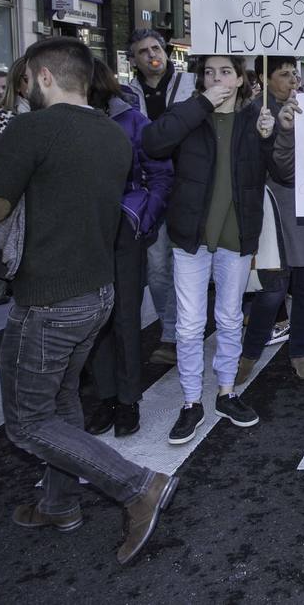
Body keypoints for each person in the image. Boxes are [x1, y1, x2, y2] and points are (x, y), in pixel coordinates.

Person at [0, 37, 175, 563]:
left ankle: (136, 486)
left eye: (25, 80)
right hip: (96, 292)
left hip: (48, 297)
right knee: (60, 402)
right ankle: (59, 503)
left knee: (29, 421)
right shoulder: (113, 133)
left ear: (42, 76)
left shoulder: (30, 128)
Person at [142, 55, 289, 443]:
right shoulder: (188, 117)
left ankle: (227, 391)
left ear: (241, 79)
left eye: (226, 72)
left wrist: (271, 135)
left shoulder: (253, 121)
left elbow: (280, 174)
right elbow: (153, 143)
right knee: (189, 326)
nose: (217, 78)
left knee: (228, 318)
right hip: (191, 237)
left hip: (236, 238)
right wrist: (202, 103)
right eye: (209, 73)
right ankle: (192, 401)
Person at [83, 62, 173, 438]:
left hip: (123, 231)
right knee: (93, 320)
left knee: (124, 318)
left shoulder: (133, 120)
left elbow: (160, 173)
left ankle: (127, 399)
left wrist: (142, 218)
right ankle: (105, 396)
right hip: (80, 235)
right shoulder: (61, 120)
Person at [239, 56, 304, 383]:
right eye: (285, 74)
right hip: (274, 211)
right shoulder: (255, 113)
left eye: (296, 74)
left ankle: (300, 350)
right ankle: (250, 353)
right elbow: (279, 170)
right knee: (272, 290)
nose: (293, 81)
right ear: (265, 77)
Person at [125, 29, 195, 367]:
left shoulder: (190, 83)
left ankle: (181, 330)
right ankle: (171, 332)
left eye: (156, 48)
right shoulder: (126, 94)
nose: (153, 55)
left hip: (187, 186)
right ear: (133, 60)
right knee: (157, 267)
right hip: (149, 191)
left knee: (187, 264)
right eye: (143, 51)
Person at [0, 57, 30, 137]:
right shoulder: (0, 115)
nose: (38, 84)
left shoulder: (55, 109)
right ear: (17, 85)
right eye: (28, 79)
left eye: (44, 78)